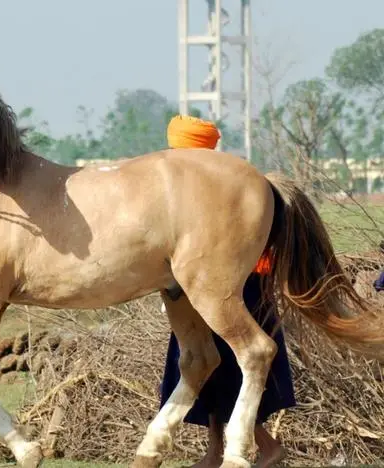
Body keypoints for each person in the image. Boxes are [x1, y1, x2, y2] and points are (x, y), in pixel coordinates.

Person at [161, 115, 297, 468]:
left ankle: (267, 447)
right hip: (203, 291)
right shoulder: (191, 188)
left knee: (234, 374)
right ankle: (214, 452)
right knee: (204, 374)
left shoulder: (230, 187)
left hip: (239, 292)